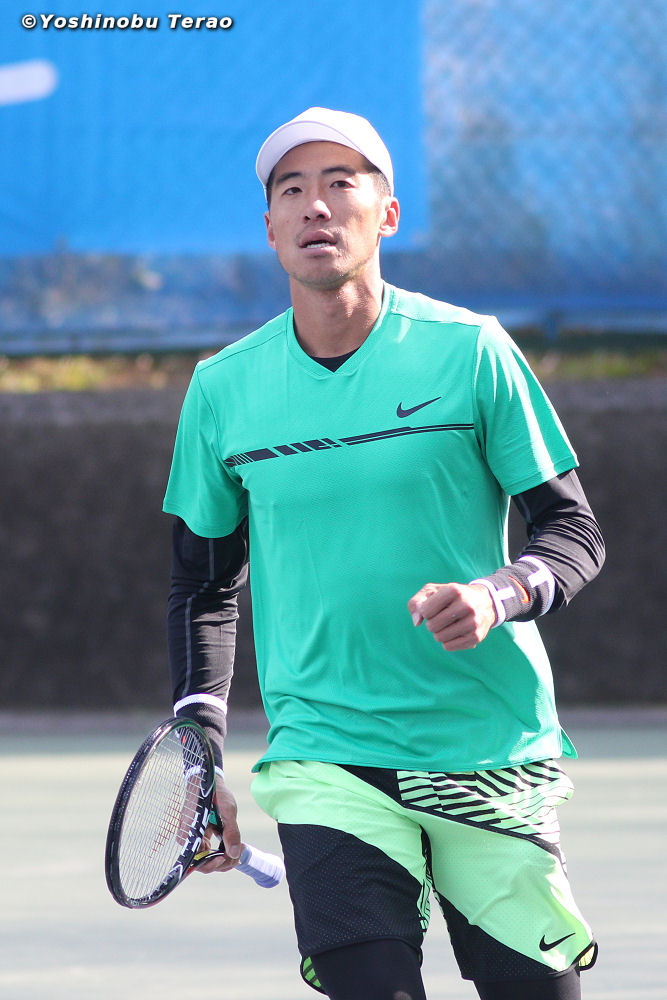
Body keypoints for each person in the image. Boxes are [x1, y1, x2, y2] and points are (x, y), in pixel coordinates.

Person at [163, 108, 605, 1000]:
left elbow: (572, 531)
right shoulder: (222, 388)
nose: (316, 205)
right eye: (293, 190)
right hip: (326, 754)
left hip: (488, 747)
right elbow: (203, 582)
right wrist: (198, 750)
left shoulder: (471, 351)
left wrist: (498, 593)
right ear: (270, 228)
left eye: (340, 182)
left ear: (387, 214)